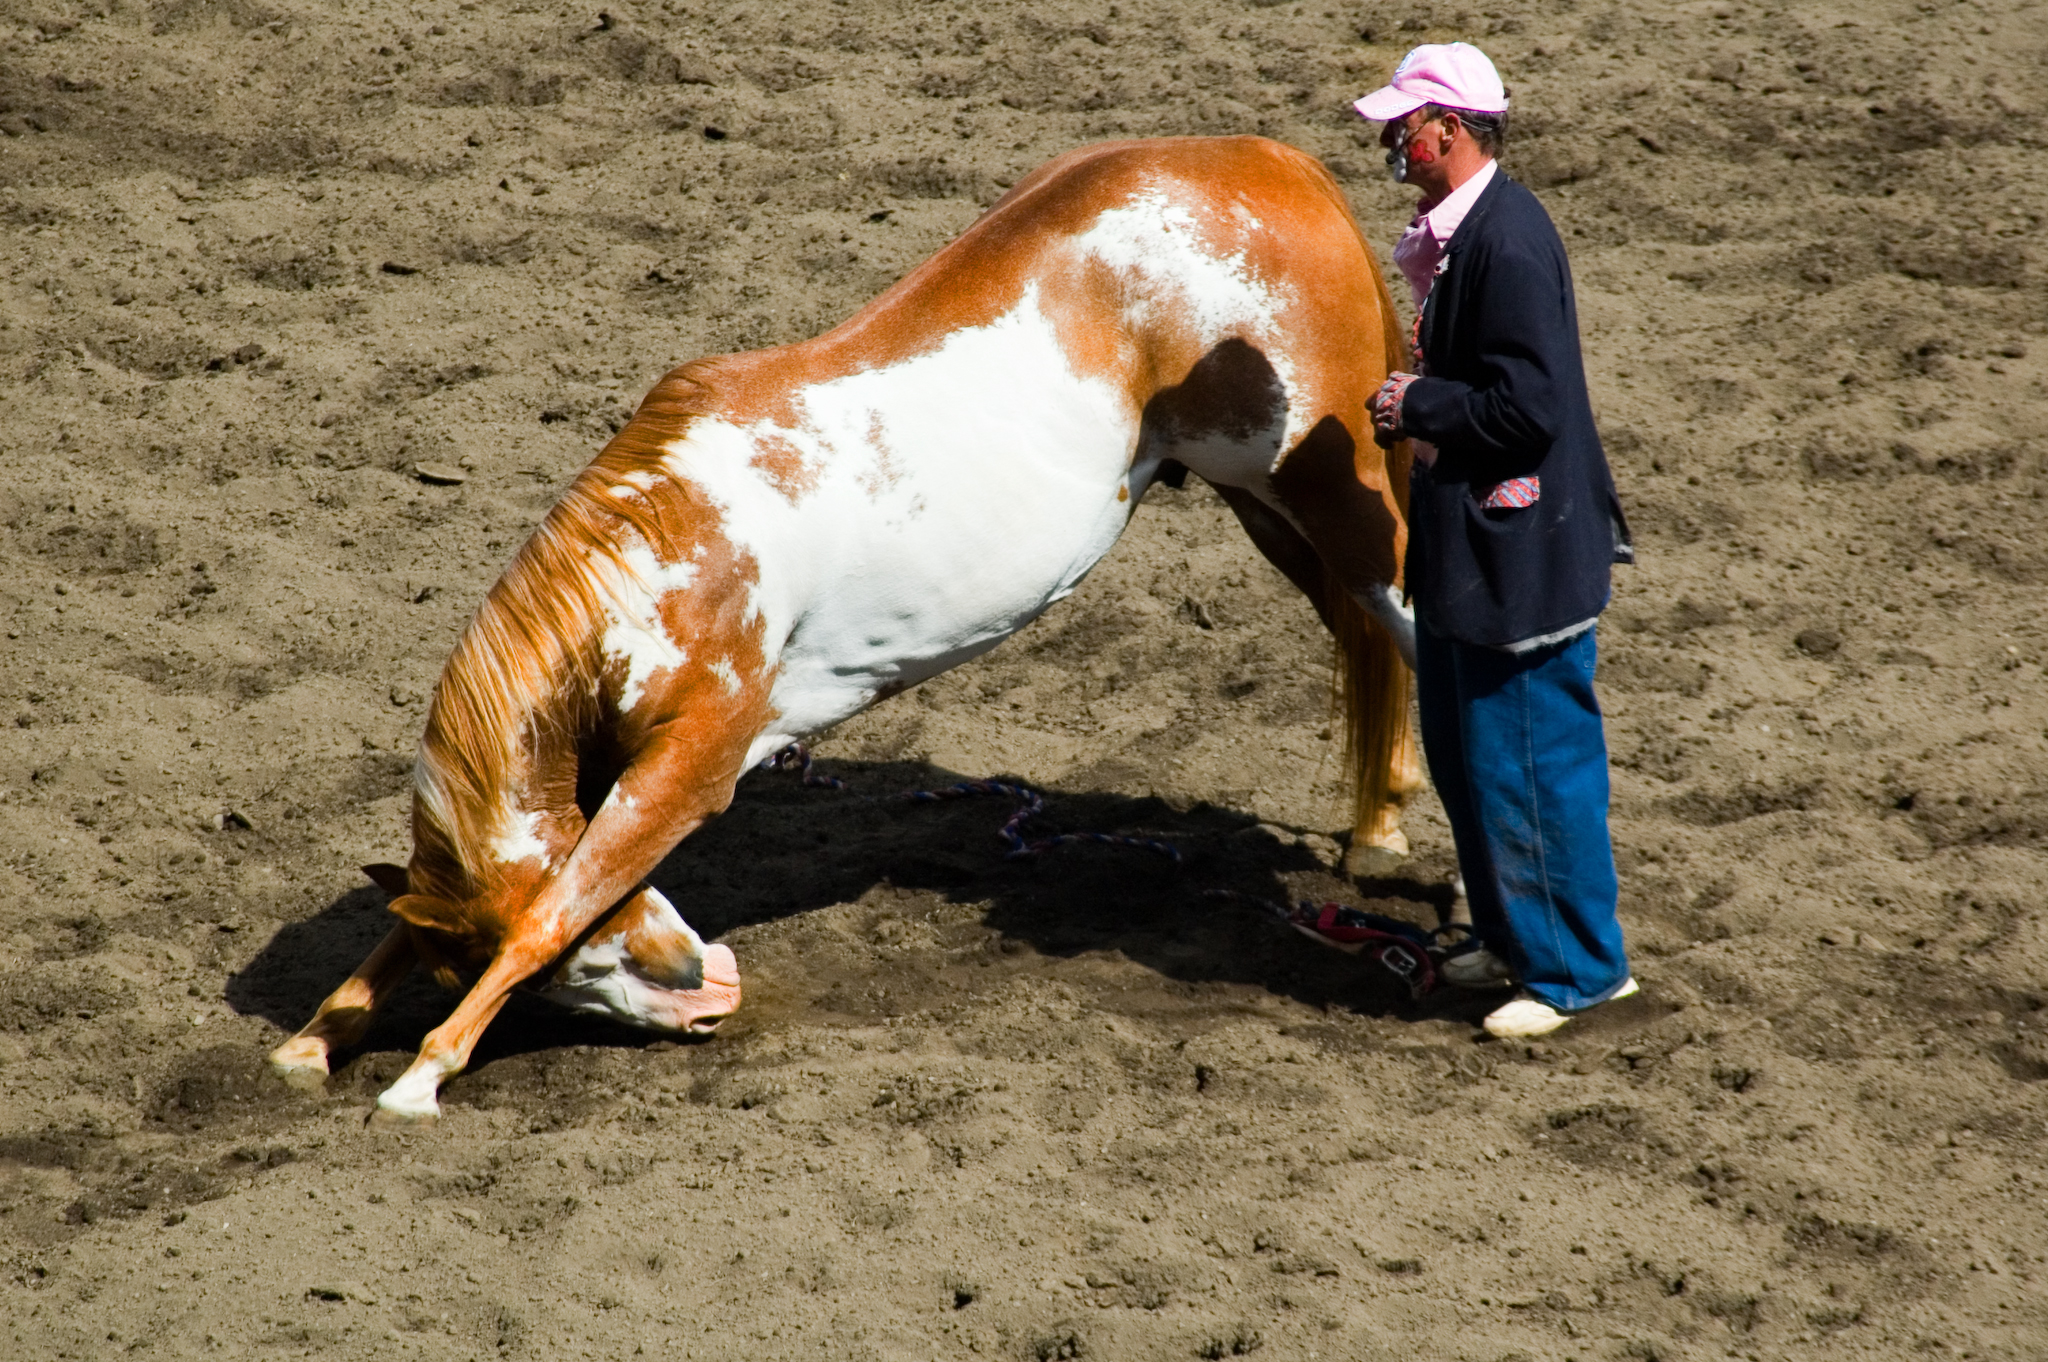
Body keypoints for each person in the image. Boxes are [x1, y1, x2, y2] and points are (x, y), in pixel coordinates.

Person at [1353, 43, 1637, 1040]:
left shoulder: (1506, 242)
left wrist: (1414, 400)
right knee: (1467, 754)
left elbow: (1529, 407)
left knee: (1526, 759)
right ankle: (1513, 941)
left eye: (1404, 125)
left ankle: (1578, 974)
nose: (1391, 141)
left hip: (1517, 555)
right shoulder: (1465, 234)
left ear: (1451, 129)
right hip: (1474, 548)